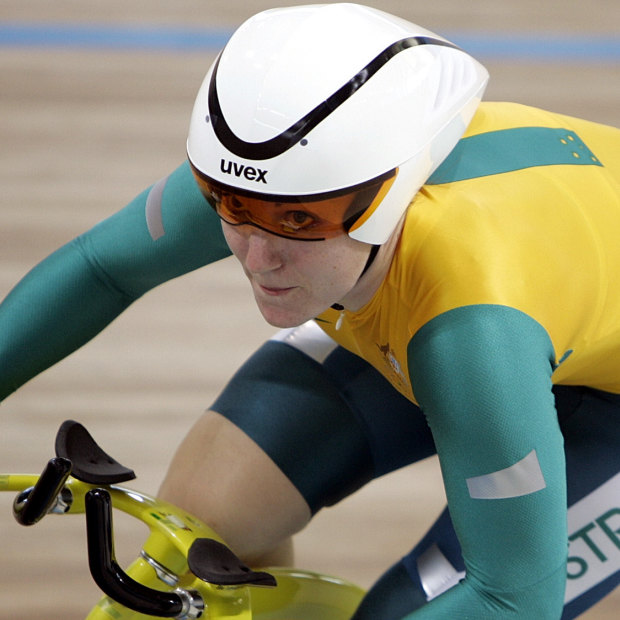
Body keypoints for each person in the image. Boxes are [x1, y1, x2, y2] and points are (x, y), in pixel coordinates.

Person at [1, 3, 619, 618]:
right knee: (195, 534)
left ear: (388, 197)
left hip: (521, 356)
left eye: (297, 222)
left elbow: (514, 600)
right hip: (521, 321)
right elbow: (99, 268)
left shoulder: (472, 329)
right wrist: (263, 212)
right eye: (229, 204)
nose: (258, 257)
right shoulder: (275, 182)